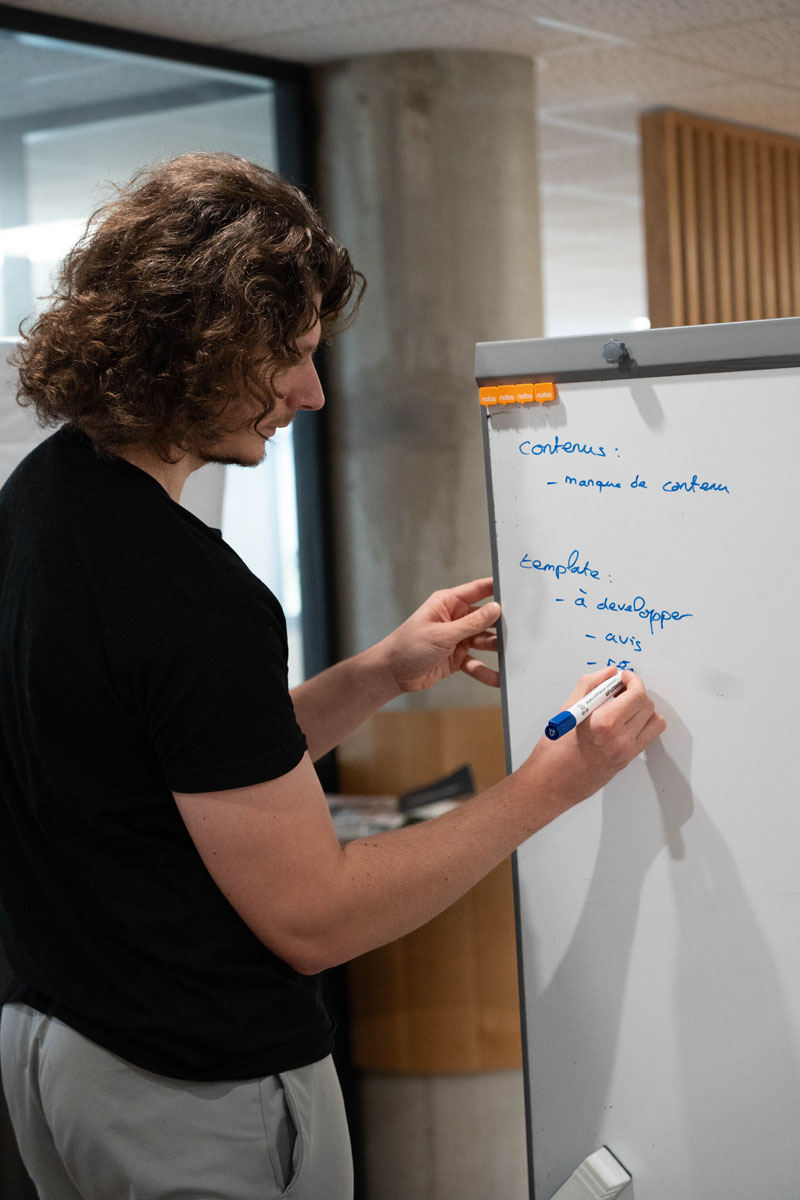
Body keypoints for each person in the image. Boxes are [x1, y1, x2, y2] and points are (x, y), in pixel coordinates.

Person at [0, 152, 666, 1200]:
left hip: (62, 1051)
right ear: (197, 343)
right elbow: (315, 918)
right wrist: (548, 789)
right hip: (192, 1089)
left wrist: (377, 675)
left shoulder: (40, 502)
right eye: (292, 357)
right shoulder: (188, 596)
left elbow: (177, 764)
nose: (309, 394)